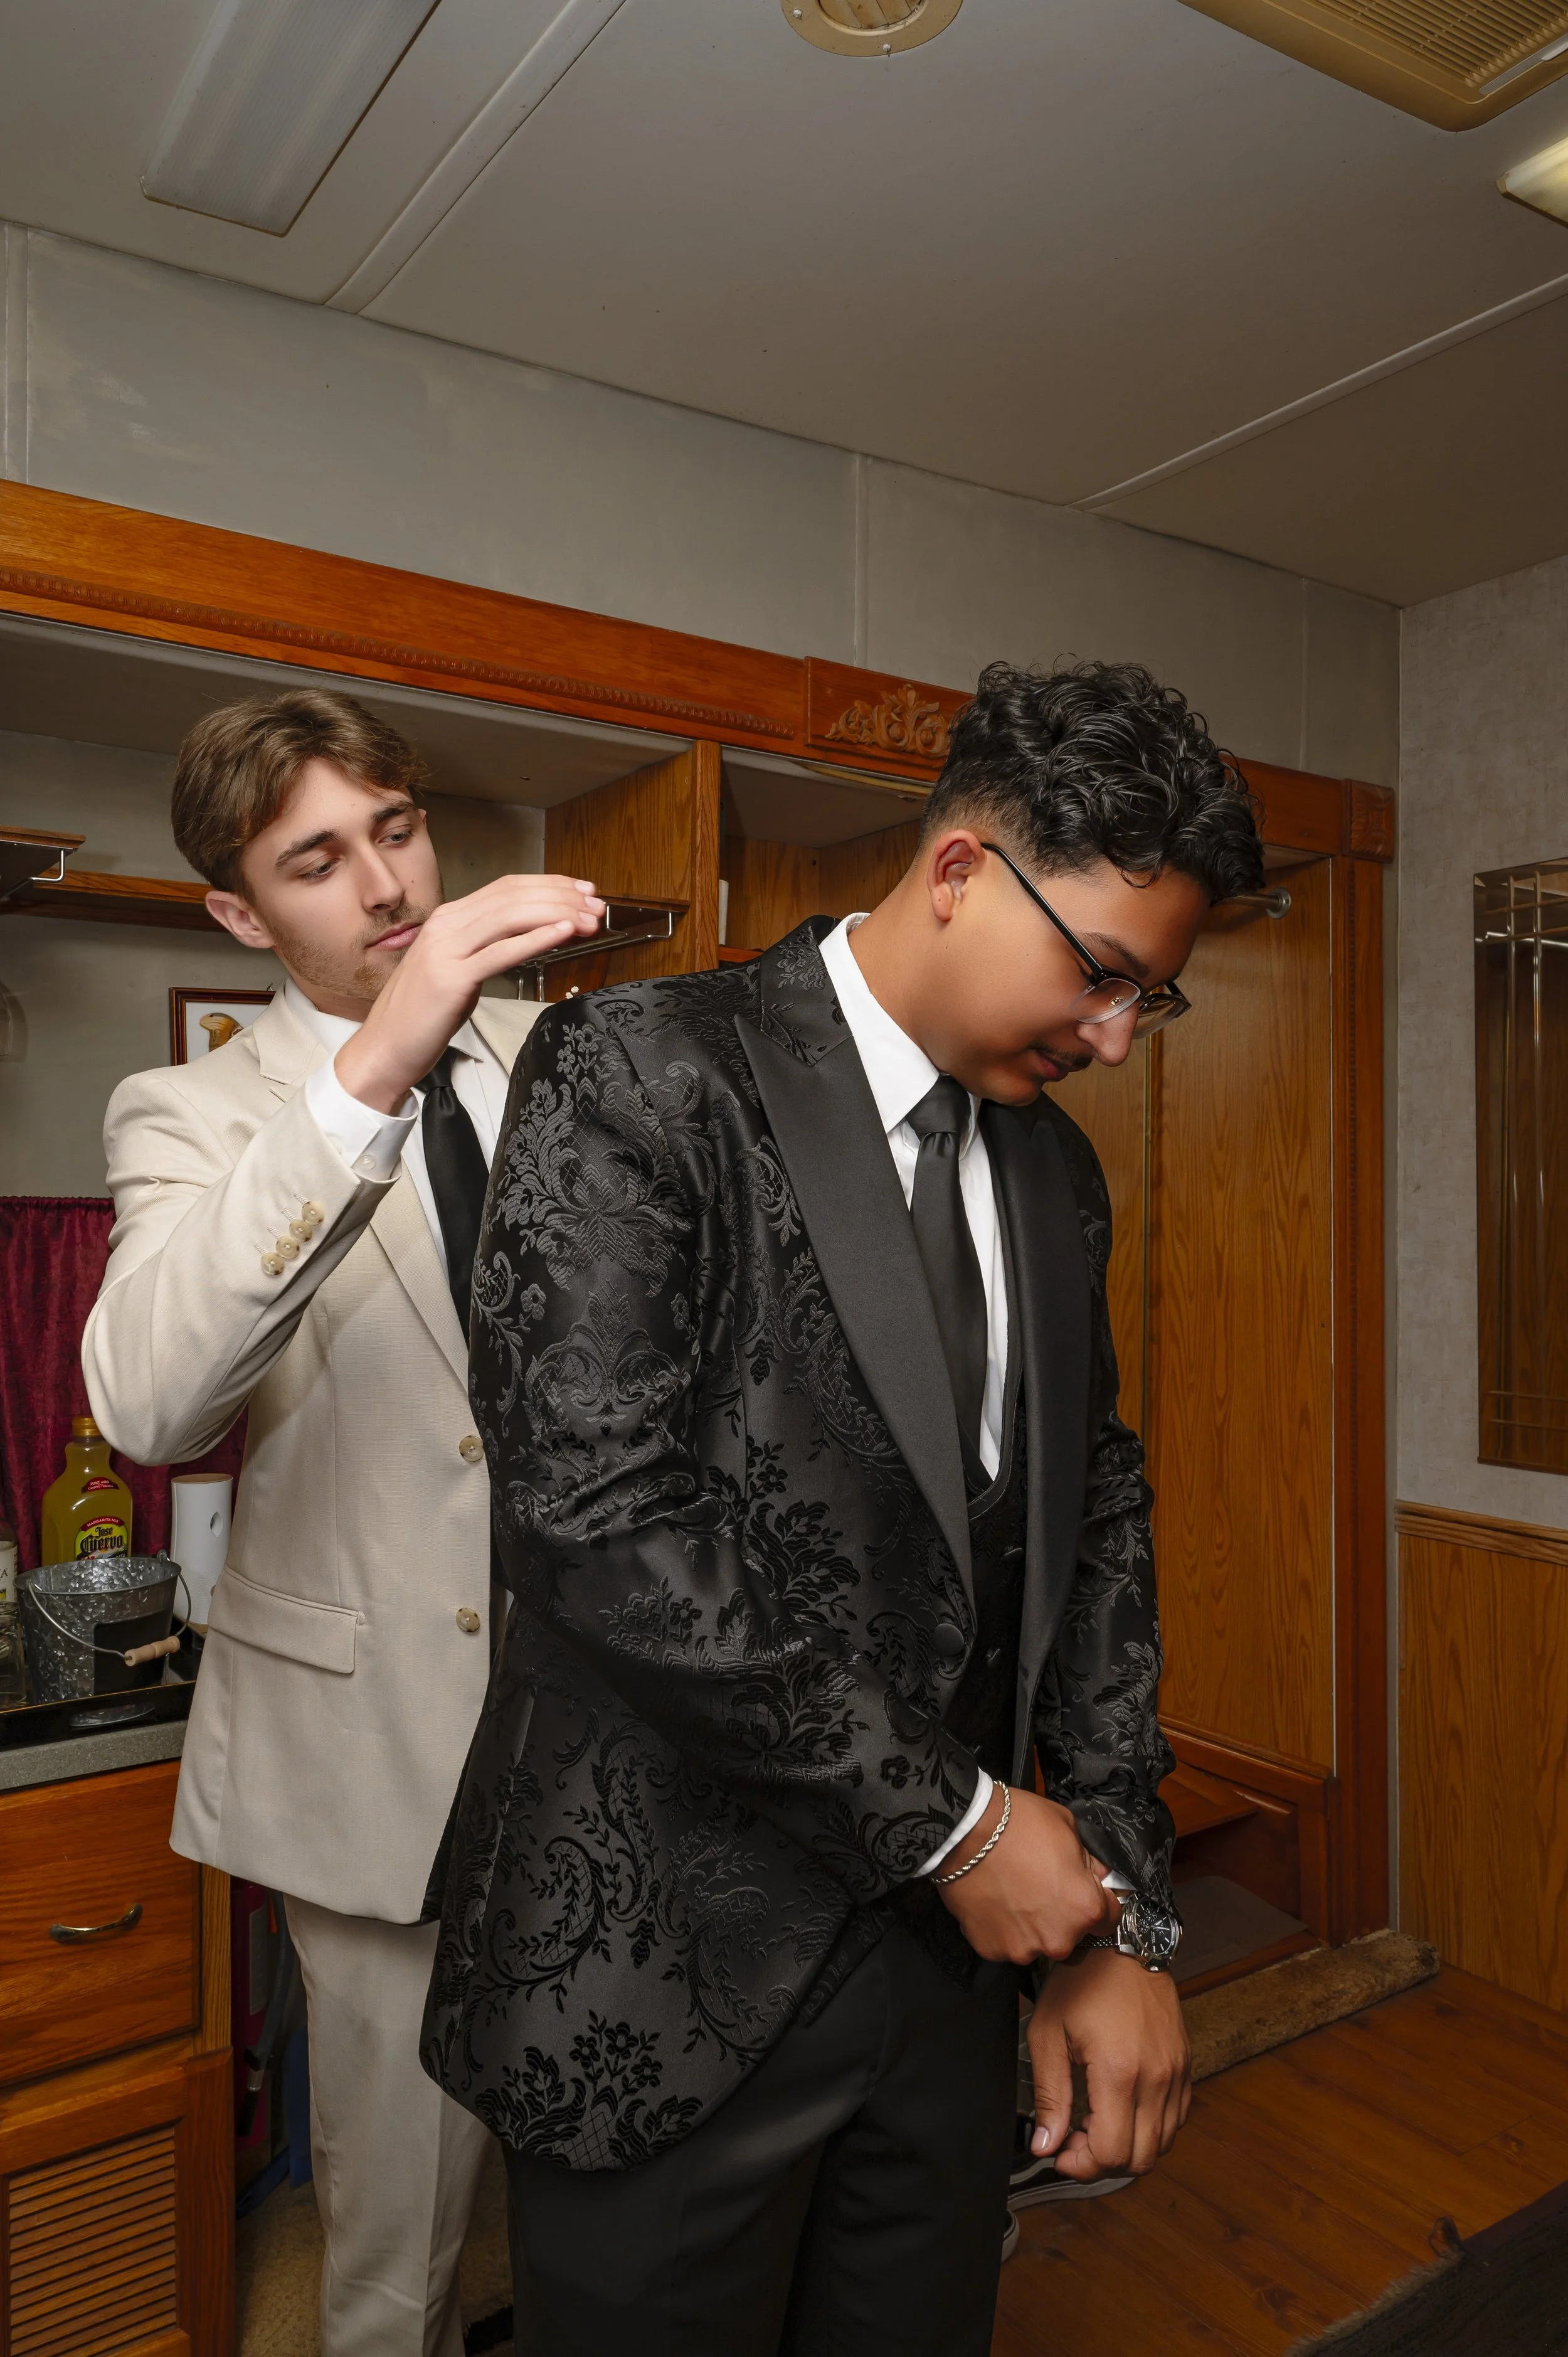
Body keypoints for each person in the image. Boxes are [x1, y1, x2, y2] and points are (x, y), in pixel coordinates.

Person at [421, 659, 1266, 2355]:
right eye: (1099, 971)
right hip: (666, 1971)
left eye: (1144, 998)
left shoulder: (1055, 1168)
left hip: (946, 2003)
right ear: (957, 869)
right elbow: (595, 1517)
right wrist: (958, 1823)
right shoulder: (640, 1067)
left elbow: (1090, 1519)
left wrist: (1124, 1918)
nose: (1111, 1034)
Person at [82, 689, 604, 2357]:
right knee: (398, 2239)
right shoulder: (191, 1117)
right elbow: (150, 1403)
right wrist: (382, 1058)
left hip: (613, 1731)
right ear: (241, 911)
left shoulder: (564, 1062)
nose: (385, 883)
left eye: (398, 830)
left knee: (624, 2171)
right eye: (320, 858)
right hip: (376, 1752)